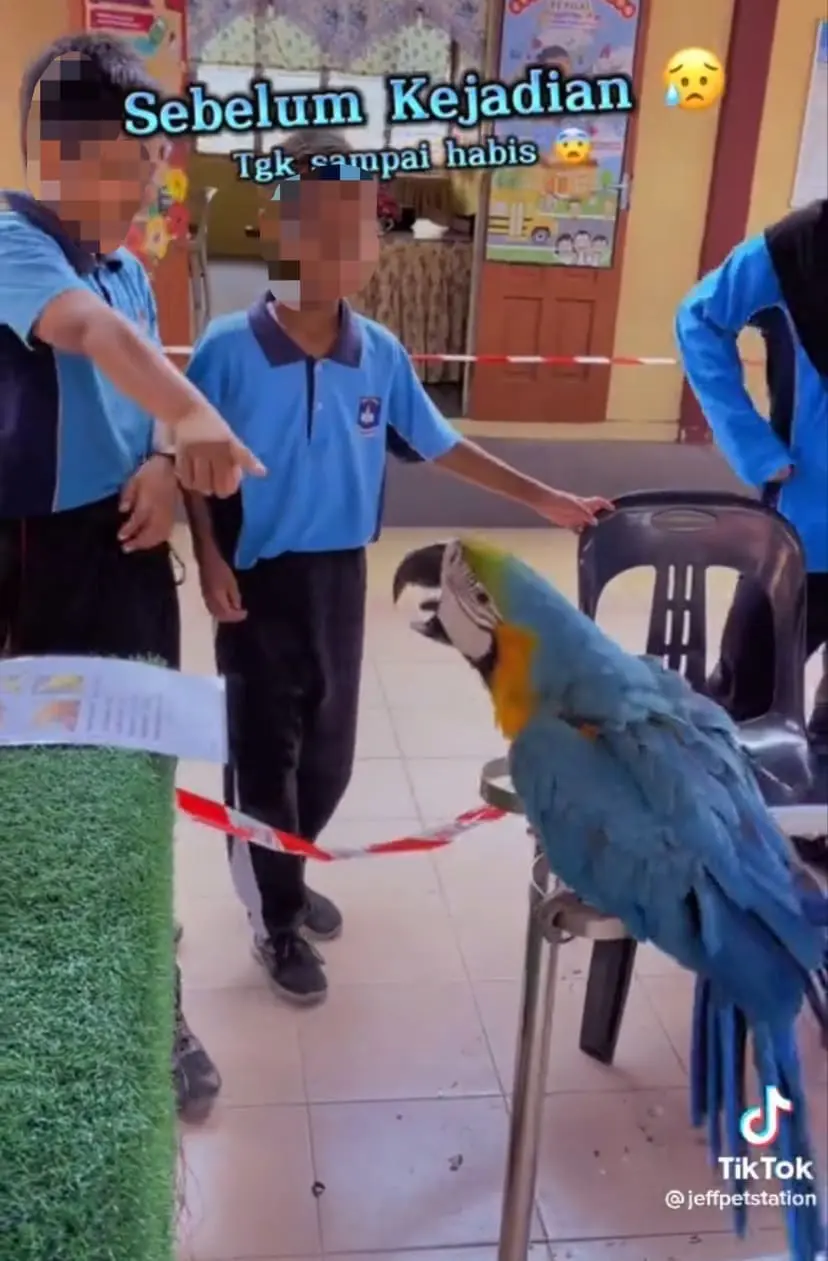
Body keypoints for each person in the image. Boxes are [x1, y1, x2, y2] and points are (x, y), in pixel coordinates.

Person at [184, 130, 614, 1006]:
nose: (345, 249)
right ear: (276, 225)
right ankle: (274, 916)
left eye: (362, 228)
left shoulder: (378, 351)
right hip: (256, 588)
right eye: (321, 226)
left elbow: (442, 443)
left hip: (340, 579)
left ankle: (288, 872)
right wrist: (207, 555)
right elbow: (188, 463)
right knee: (264, 759)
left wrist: (545, 499)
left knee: (331, 757)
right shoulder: (225, 349)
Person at [0, 34, 259, 1116]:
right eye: (130, 159)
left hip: (127, 557)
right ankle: (52, 1002)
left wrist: (166, 461)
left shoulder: (133, 269)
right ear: (60, 156)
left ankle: (154, 998)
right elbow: (91, 335)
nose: (150, 180)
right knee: (46, 797)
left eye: (154, 160)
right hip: (30, 567)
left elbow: (142, 376)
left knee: (137, 784)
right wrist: (193, 417)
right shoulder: (15, 245)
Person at [675, 200, 828, 742]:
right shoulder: (801, 246)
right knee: (746, 702)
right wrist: (751, 445)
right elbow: (698, 319)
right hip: (808, 526)